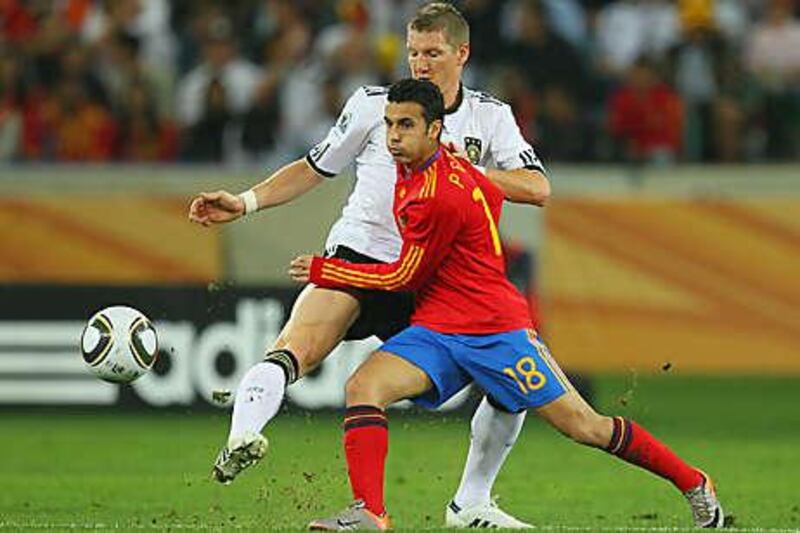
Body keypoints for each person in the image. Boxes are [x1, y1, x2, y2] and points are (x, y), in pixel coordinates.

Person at [292, 78, 725, 531]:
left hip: (494, 331)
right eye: (388, 125)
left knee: (586, 427)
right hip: (438, 329)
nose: (393, 137)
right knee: (364, 387)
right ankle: (370, 513)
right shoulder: (414, 171)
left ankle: (694, 482)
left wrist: (328, 269)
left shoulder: (440, 191)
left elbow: (404, 276)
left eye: (405, 125)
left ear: (435, 130)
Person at [188, 3, 548, 527]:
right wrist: (244, 202)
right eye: (413, 52)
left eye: (433, 53)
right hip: (361, 258)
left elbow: (537, 187)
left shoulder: (490, 117)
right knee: (297, 346)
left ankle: (471, 502)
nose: (420, 63)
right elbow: (313, 169)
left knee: (508, 385)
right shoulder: (376, 107)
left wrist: (463, 171)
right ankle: (241, 435)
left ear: (462, 53)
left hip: (431, 281)